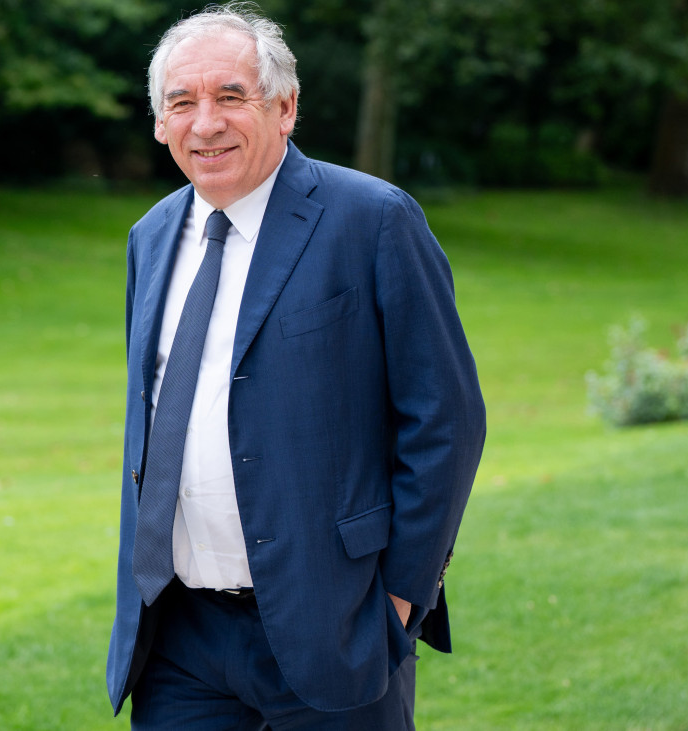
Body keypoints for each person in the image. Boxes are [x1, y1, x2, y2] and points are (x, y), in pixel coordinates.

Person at [106, 4, 486, 728]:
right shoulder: (149, 237)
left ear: (285, 107)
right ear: (159, 124)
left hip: (333, 622)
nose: (205, 123)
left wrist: (402, 598)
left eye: (230, 97)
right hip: (179, 636)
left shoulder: (373, 220)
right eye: (181, 103)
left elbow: (447, 421)